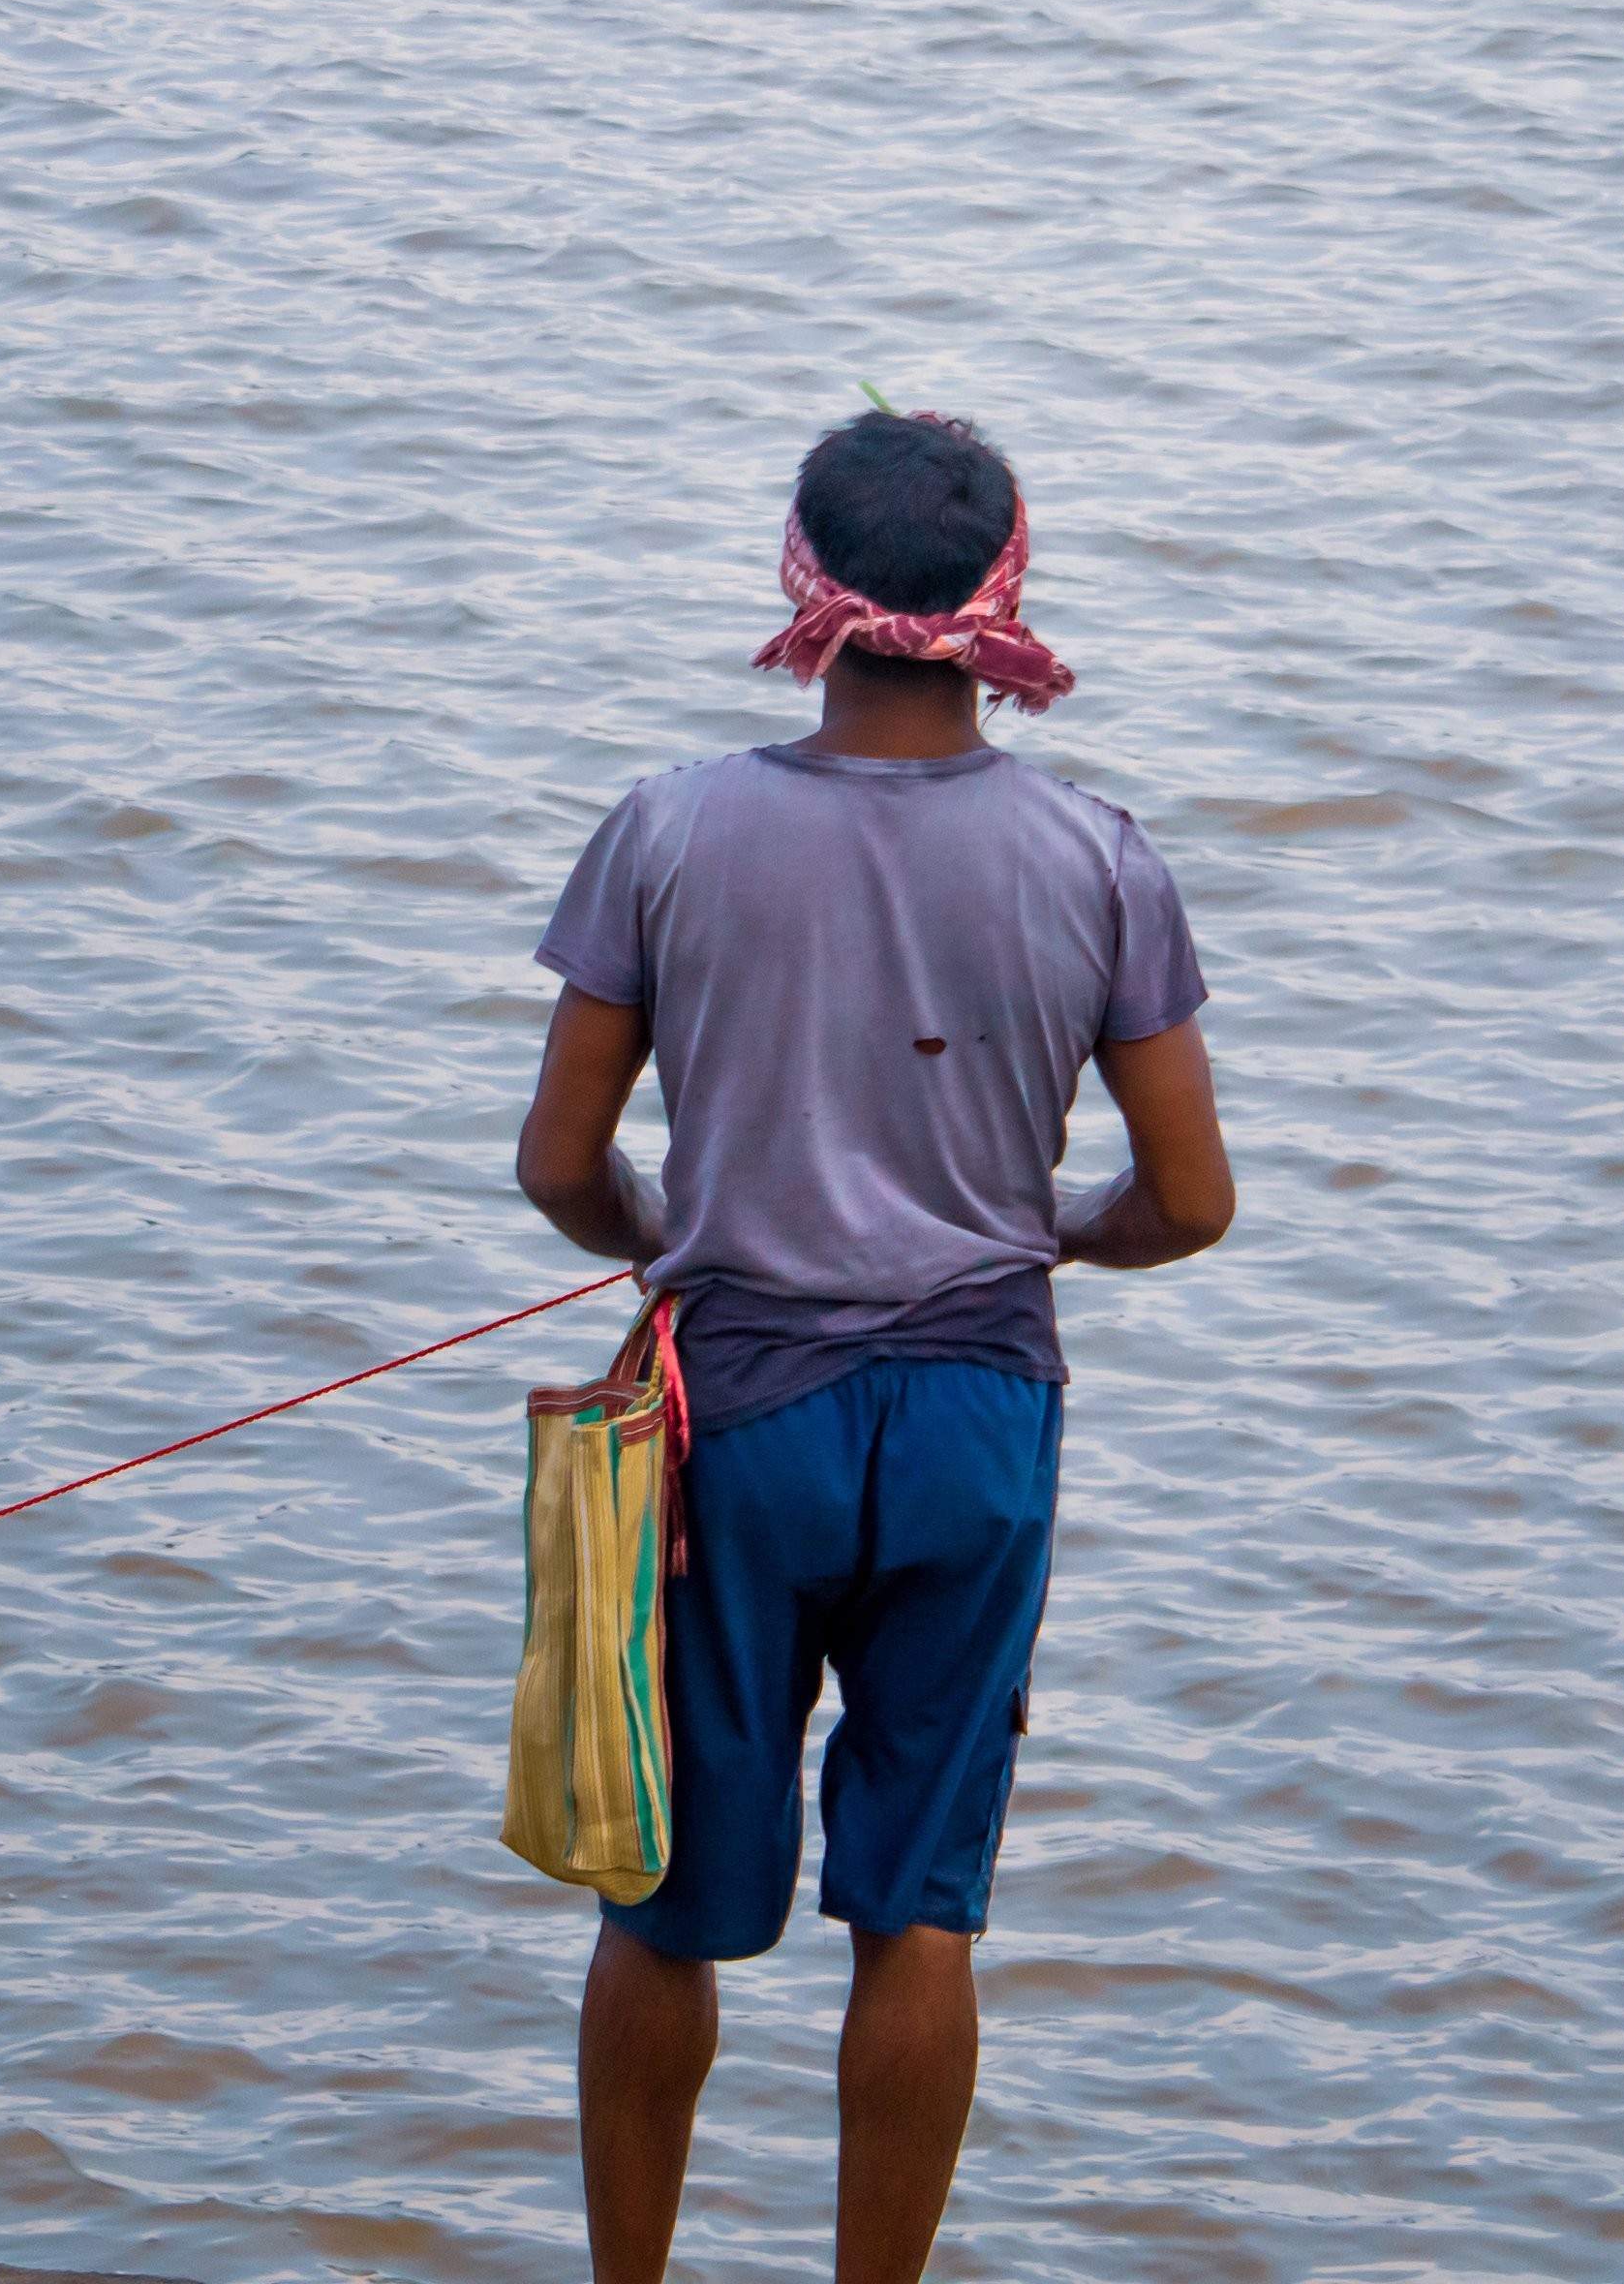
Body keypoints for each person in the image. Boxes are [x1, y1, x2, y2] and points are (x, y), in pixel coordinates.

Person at [509, 405, 1237, 2284]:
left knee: (664, 1898)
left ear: (799, 582)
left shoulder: (672, 822)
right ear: (1006, 587)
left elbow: (562, 1162)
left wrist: (684, 1242)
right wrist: (1039, 1235)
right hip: (983, 1411)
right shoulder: (1100, 852)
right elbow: (1192, 1198)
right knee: (919, 1904)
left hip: (735, 1413)